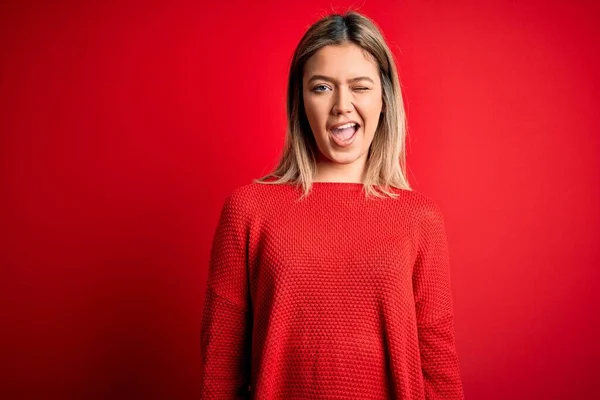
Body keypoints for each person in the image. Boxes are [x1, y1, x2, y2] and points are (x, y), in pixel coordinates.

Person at [200, 10, 465, 399]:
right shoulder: (249, 211)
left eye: (360, 86)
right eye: (322, 87)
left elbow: (440, 370)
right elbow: (219, 373)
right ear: (300, 101)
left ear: (384, 99)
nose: (342, 105)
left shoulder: (419, 219)